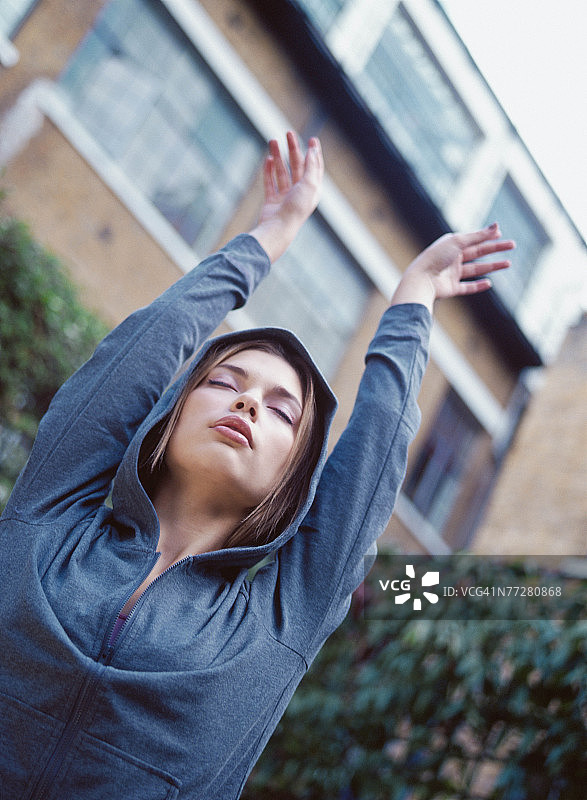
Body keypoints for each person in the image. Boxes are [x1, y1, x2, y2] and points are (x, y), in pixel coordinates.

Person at [0, 132, 513, 799]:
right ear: (170, 414)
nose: (246, 400)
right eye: (224, 381)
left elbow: (372, 457)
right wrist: (270, 233)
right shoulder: (50, 520)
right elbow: (142, 352)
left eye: (281, 411)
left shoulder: (282, 618)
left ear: (292, 476)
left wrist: (413, 298)